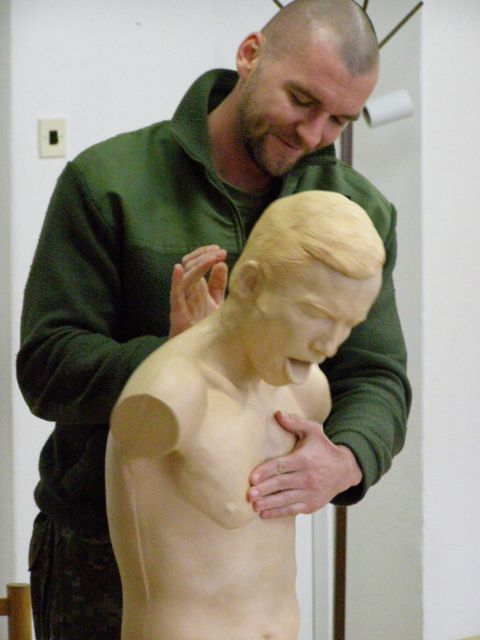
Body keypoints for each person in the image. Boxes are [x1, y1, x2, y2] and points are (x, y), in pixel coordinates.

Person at [17, 1, 410, 638]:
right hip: (99, 553)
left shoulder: (355, 211)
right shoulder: (110, 181)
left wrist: (347, 457)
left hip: (251, 565)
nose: (313, 134)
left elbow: (376, 375)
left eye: (338, 119)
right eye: (301, 100)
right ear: (251, 54)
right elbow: (47, 365)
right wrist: (178, 356)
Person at [106, 191, 385, 640]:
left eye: (348, 325)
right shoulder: (169, 396)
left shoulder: (307, 391)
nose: (330, 346)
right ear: (251, 283)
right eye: (316, 314)